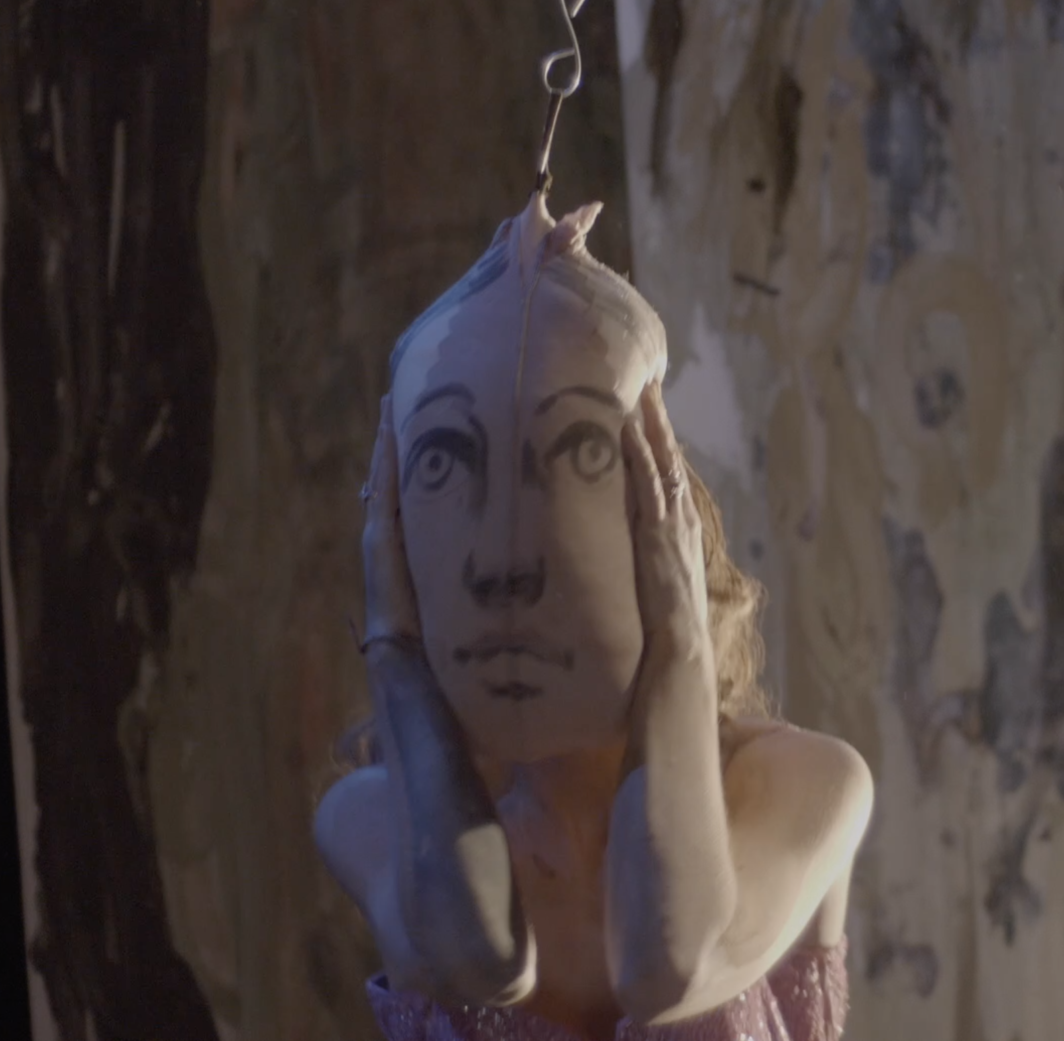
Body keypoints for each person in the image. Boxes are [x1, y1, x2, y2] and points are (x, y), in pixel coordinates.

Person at [313, 194, 874, 1041]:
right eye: (443, 467)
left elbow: (671, 963)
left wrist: (679, 642)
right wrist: (394, 651)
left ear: (661, 526)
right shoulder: (370, 816)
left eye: (577, 455)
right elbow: (480, 957)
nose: (503, 568)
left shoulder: (806, 783)